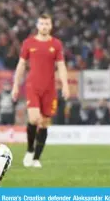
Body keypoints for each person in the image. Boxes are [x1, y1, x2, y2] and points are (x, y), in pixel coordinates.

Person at [11, 14, 70, 168]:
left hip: (49, 88)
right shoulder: (28, 43)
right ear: (37, 25)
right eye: (42, 23)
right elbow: (21, 65)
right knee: (34, 118)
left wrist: (65, 84)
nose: (44, 26)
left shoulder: (56, 44)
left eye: (47, 23)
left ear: (50, 26)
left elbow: (61, 66)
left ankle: (36, 158)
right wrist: (16, 85)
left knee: (44, 123)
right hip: (33, 86)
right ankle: (30, 150)